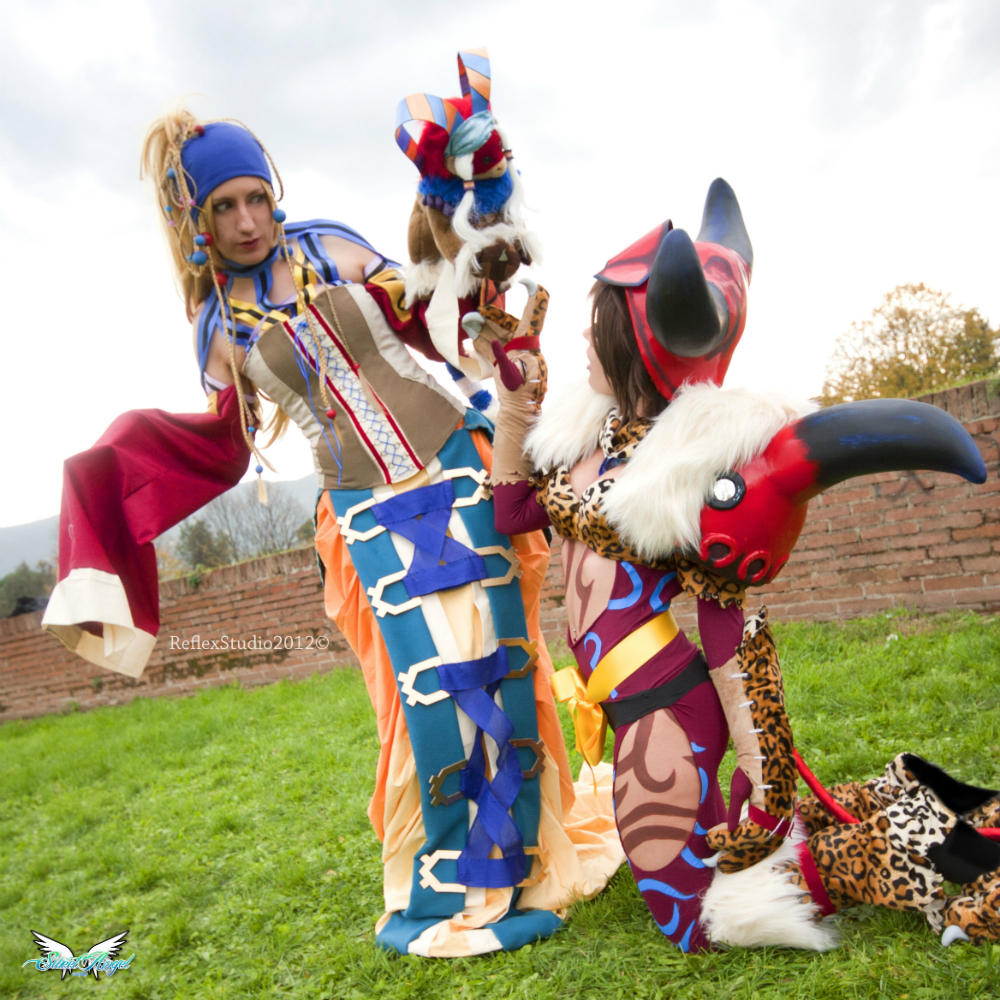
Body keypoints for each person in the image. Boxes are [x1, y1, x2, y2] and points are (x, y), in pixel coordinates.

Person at [42, 107, 624, 958]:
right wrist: (107, 470)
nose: (247, 221)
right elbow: (222, 444)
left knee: (500, 665)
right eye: (224, 208)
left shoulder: (330, 245)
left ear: (273, 194)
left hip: (455, 467)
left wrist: (461, 228)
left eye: (255, 198)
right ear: (196, 222)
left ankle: (529, 867)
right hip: (364, 517)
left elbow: (434, 312)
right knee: (420, 696)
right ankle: (448, 879)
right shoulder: (216, 330)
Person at [471, 178, 995, 951]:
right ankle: (901, 812)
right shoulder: (588, 441)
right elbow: (514, 512)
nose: (584, 335)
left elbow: (729, 629)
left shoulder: (691, 474)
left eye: (598, 322)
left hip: (663, 707)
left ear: (634, 343)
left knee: (693, 922)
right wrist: (516, 402)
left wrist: (763, 769)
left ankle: (901, 851)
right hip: (630, 706)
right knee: (703, 868)